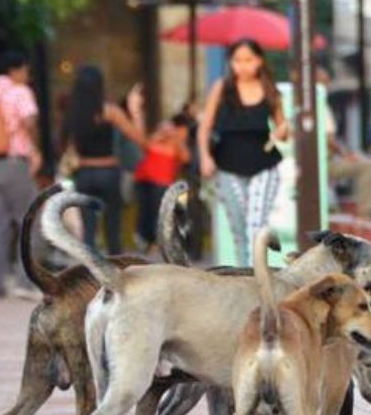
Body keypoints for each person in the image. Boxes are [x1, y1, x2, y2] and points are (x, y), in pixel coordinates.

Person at [198, 38, 288, 267]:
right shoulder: (222, 87)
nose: (243, 65)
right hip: (227, 165)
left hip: (264, 165)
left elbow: (283, 129)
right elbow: (205, 127)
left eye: (249, 60)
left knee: (255, 227)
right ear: (231, 62)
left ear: (259, 61)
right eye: (237, 60)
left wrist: (283, 130)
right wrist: (205, 157)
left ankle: (256, 279)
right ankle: (246, 279)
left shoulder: (270, 89)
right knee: (239, 228)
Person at [0, 50, 43, 303]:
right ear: (17, 70)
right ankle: (24, 282)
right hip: (14, 162)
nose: (27, 75)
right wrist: (35, 148)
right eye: (26, 70)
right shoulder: (19, 91)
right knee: (29, 222)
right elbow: (30, 122)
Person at [61, 67, 149, 256]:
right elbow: (139, 138)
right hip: (108, 172)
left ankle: (90, 278)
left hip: (83, 173)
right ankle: (116, 274)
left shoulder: (73, 114)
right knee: (112, 230)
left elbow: (66, 146)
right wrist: (136, 111)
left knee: (89, 232)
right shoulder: (110, 111)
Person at [317, 68, 371, 219]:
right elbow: (329, 140)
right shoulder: (320, 106)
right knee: (367, 165)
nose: (326, 87)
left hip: (315, 162)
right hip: (323, 162)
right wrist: (346, 155)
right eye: (323, 83)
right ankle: (366, 214)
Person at [132, 112, 192, 254]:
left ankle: (157, 242)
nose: (166, 132)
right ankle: (145, 239)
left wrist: (177, 139)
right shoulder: (153, 141)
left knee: (159, 213)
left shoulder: (175, 145)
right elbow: (143, 145)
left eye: (169, 129)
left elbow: (186, 158)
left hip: (162, 183)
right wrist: (157, 137)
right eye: (163, 128)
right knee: (145, 212)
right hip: (145, 181)